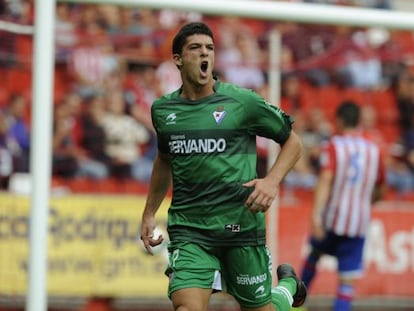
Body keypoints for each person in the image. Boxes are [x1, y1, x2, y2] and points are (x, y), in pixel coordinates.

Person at [140, 22, 306, 311]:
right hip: (190, 230)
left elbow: (293, 143)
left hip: (240, 227)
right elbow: (164, 160)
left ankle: (286, 290)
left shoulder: (241, 102)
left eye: (210, 48)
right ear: (178, 59)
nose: (205, 54)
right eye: (195, 48)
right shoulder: (163, 111)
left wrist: (271, 181)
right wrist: (149, 213)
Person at [299, 101, 387, 311]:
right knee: (346, 284)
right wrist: (365, 202)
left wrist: (315, 215)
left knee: (314, 256)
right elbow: (381, 188)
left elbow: (326, 180)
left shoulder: (333, 145)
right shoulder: (374, 150)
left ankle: (296, 306)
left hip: (332, 219)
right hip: (358, 224)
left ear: (339, 120)